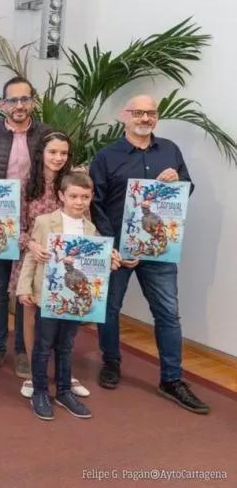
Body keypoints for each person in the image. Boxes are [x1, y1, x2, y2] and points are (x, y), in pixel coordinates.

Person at [90, 95, 209, 414]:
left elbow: (186, 189)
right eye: (138, 113)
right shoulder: (106, 156)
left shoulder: (170, 150)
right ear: (124, 116)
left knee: (168, 313)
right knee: (109, 309)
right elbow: (95, 203)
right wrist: (111, 246)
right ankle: (111, 362)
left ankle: (172, 379)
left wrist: (178, 181)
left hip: (159, 249)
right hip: (117, 249)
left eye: (151, 113)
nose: (145, 118)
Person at [0, 76, 53, 378]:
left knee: (26, 291)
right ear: (3, 105)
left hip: (35, 226)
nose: (19, 105)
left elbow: (58, 171)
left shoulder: (47, 135)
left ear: (33, 102)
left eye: (24, 99)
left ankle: (23, 351)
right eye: (13, 100)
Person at [16, 172, 121, 420]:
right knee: (43, 345)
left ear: (91, 197)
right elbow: (31, 257)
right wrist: (24, 287)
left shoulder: (90, 228)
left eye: (85, 197)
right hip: (49, 296)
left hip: (74, 300)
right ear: (61, 196)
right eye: (73, 196)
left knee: (66, 345)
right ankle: (40, 392)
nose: (79, 202)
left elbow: (95, 263)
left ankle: (64, 391)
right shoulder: (45, 222)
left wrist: (111, 260)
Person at [8, 132, 89, 399]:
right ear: (41, 153)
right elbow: (14, 227)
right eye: (53, 152)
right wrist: (31, 244)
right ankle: (35, 375)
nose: (58, 157)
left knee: (65, 320)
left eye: (63, 153)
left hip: (67, 267)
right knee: (32, 319)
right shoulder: (25, 184)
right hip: (35, 260)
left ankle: (64, 373)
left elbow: (86, 223)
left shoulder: (73, 184)